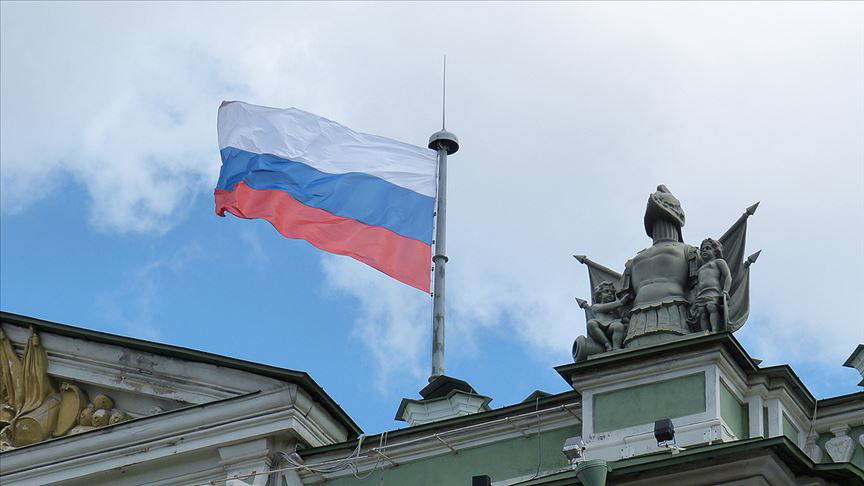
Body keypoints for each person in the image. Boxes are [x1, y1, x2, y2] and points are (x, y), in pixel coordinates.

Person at [689, 238, 732, 332]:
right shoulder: (700, 269)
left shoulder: (719, 262)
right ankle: (705, 332)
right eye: (702, 249)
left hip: (713, 290)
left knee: (711, 307)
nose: (704, 250)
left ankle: (715, 331)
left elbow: (727, 276)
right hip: (701, 293)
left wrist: (725, 290)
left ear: (715, 251)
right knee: (702, 312)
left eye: (708, 248)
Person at [581, 281, 628, 351]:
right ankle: (607, 343)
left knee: (618, 326)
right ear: (599, 295)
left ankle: (616, 347)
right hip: (600, 327)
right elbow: (603, 308)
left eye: (612, 293)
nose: (610, 293)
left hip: (611, 327)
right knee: (591, 323)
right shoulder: (596, 306)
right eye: (606, 291)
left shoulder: (615, 309)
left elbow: (622, 317)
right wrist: (620, 303)